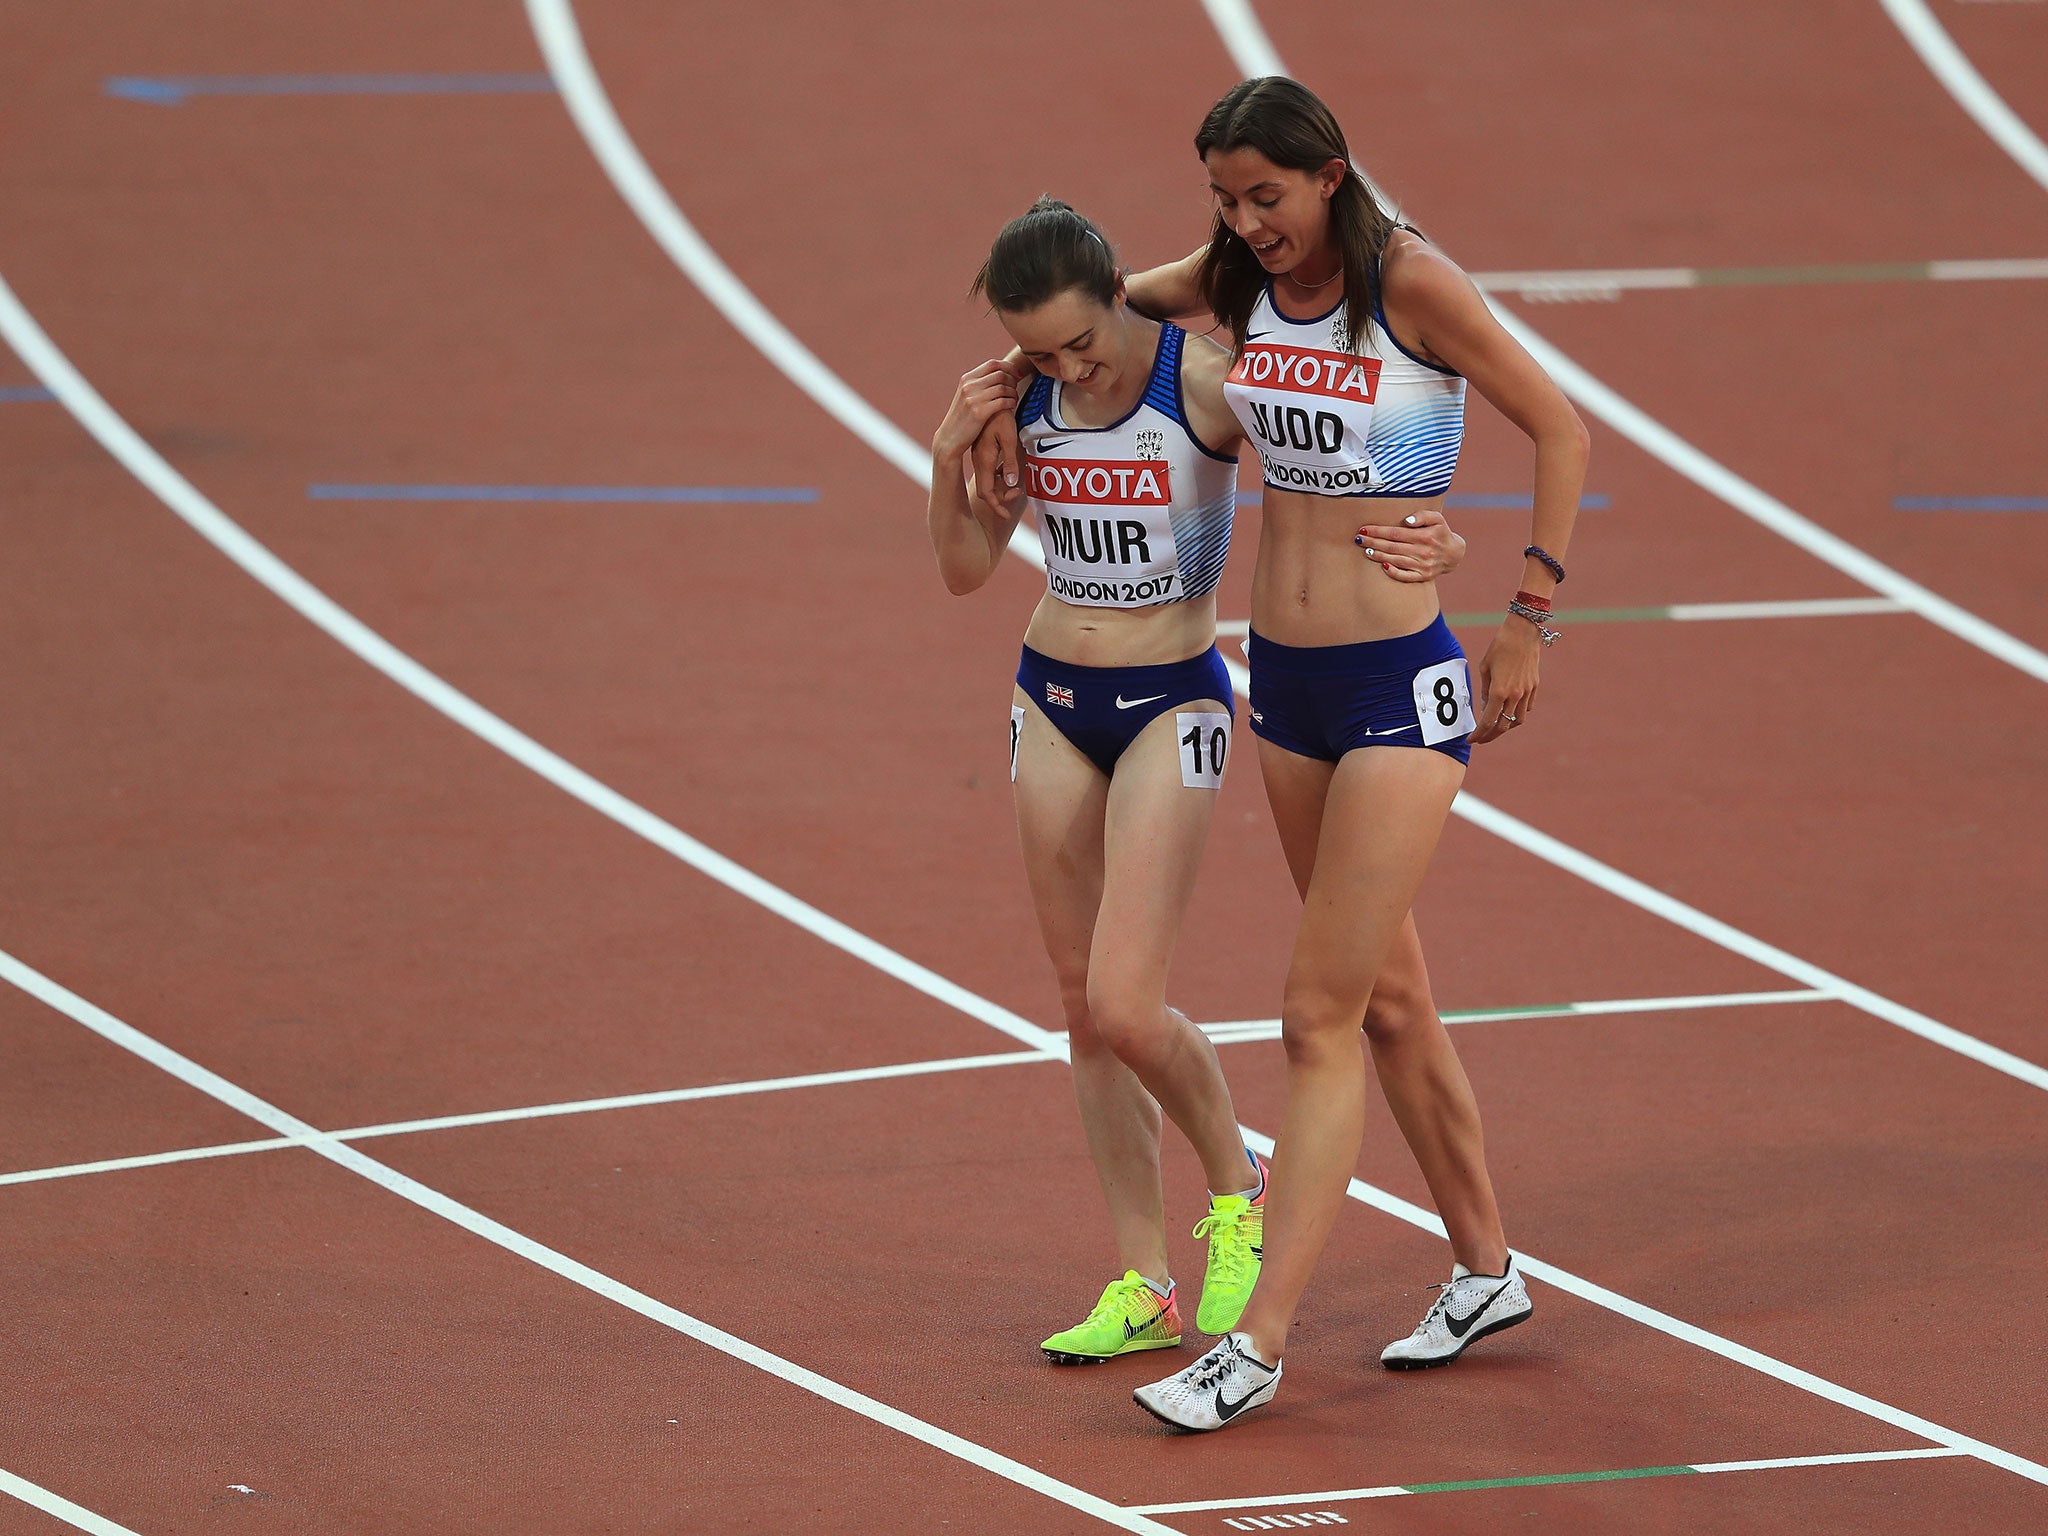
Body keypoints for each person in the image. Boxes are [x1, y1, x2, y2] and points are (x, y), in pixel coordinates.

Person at [977, 79, 1589, 1431]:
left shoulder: (1409, 282)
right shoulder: (1230, 279)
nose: (1246, 221)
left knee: (1316, 1017)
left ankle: (1254, 1347)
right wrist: (1025, 370)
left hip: (1399, 684)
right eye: (1224, 197)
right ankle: (1487, 1269)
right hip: (1287, 688)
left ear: (1329, 175)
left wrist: (1520, 601)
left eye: (1267, 194)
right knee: (1386, 1003)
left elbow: (1559, 425)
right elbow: (1096, 309)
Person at [929, 196, 1470, 1369]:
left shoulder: (1206, 383)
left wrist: (1444, 540)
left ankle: (1236, 1183)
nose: (1064, 366)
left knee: (1129, 1004)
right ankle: (1141, 1282)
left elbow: (1344, 473)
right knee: (1081, 1013)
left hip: (1172, 701)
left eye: (1080, 341)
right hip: (1048, 698)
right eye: (1040, 351)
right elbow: (967, 568)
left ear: (1115, 292)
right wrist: (946, 458)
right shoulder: (1015, 398)